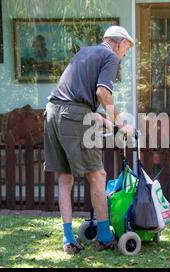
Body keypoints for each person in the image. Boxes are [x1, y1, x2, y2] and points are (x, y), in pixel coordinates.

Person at [43, 26, 135, 255]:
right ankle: (104, 236)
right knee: (98, 174)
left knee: (65, 179)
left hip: (52, 112)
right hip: (73, 115)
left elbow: (78, 102)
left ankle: (68, 238)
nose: (125, 54)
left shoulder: (85, 53)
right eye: (127, 48)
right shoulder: (110, 57)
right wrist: (122, 125)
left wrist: (110, 123)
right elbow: (102, 94)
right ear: (119, 43)